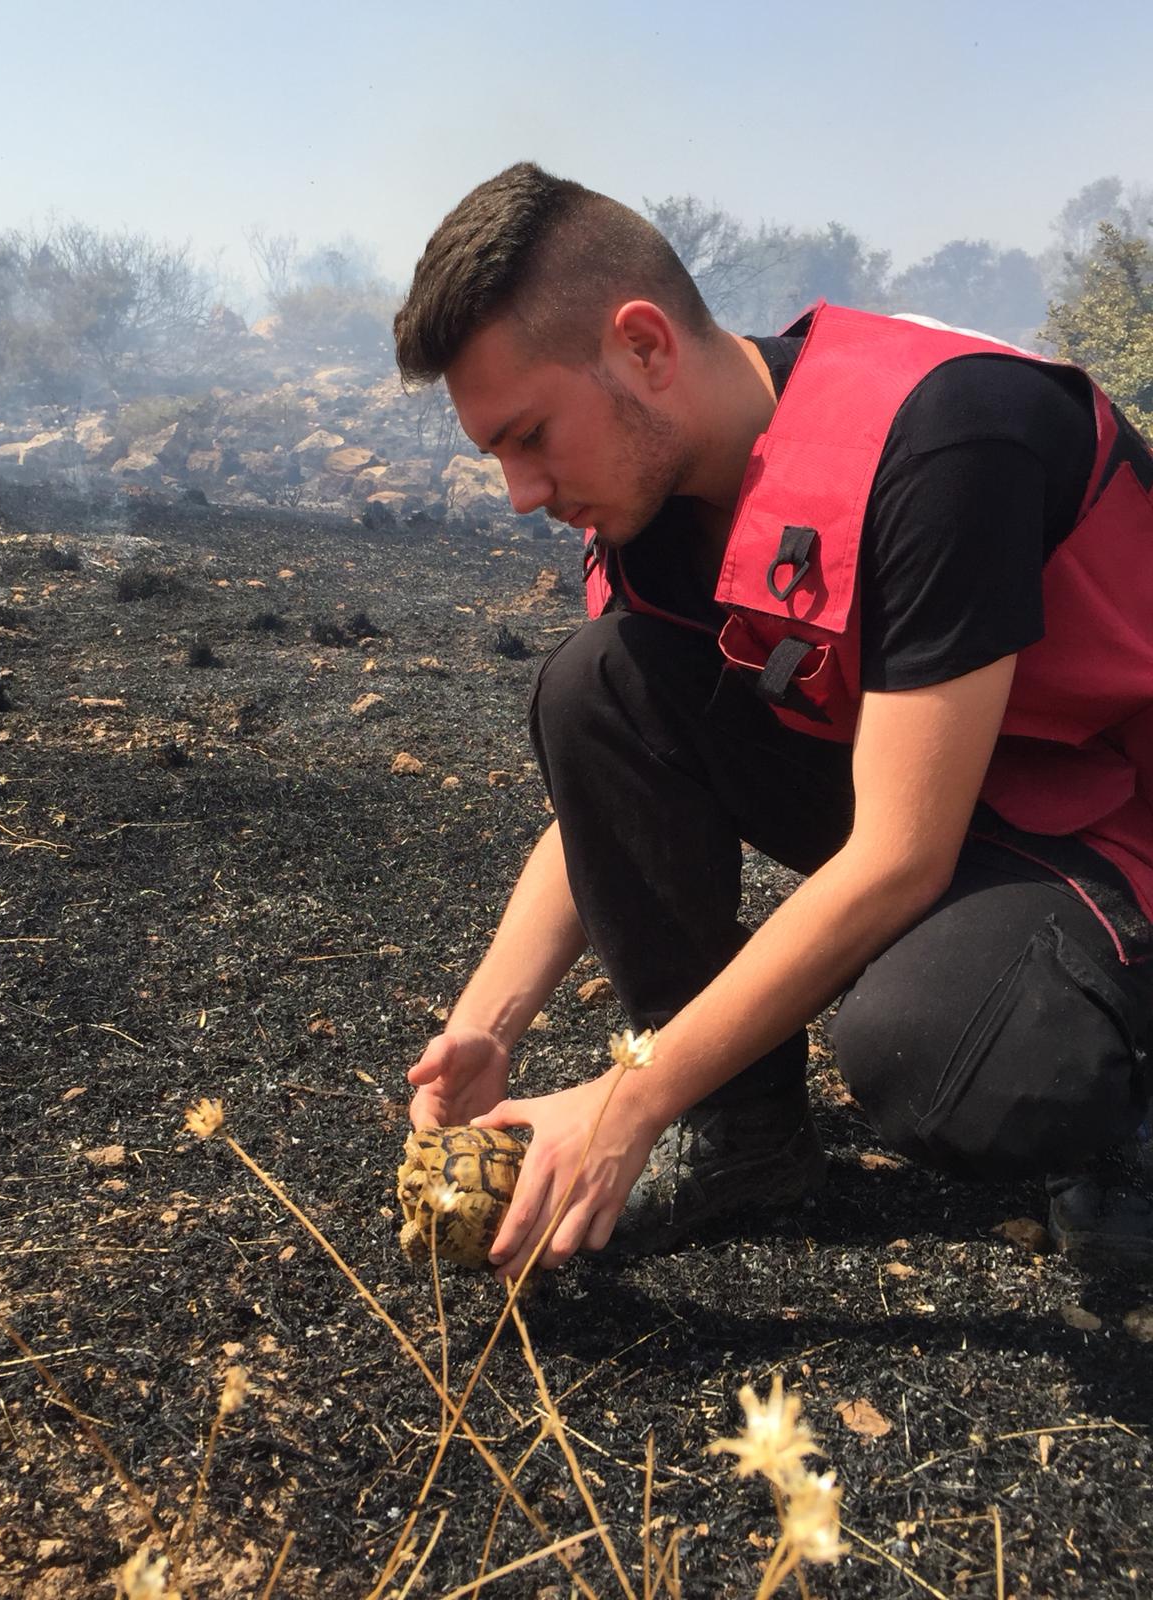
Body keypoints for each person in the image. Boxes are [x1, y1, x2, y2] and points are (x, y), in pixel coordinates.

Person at [392, 162, 1153, 1281]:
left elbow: (900, 857)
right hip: (951, 788)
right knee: (592, 683)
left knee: (936, 1046)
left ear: (644, 347)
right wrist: (489, 1027)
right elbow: (612, 789)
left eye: (532, 435)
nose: (519, 491)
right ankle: (743, 1135)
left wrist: (629, 1099)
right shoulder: (658, 515)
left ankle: (1124, 1113)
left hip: (1115, 812)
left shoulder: (941, 439)